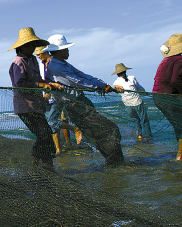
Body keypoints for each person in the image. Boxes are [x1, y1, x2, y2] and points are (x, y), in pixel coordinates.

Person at [41, 34, 125, 167]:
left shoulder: (63, 63)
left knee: (98, 133)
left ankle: (113, 162)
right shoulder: (56, 67)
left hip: (79, 102)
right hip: (74, 105)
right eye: (66, 49)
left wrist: (105, 85)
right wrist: (103, 86)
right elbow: (78, 82)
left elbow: (83, 75)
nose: (68, 51)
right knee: (110, 129)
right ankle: (117, 163)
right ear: (59, 51)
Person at [8, 28, 62, 170]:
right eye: (29, 45)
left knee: (45, 134)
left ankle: (42, 164)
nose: (32, 48)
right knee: (44, 133)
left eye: (33, 45)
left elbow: (38, 79)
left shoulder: (31, 59)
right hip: (25, 107)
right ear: (21, 46)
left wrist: (49, 85)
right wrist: (40, 85)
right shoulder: (19, 62)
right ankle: (39, 165)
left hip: (36, 105)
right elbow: (20, 85)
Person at [34, 46, 82, 153]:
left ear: (45, 52)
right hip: (48, 97)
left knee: (54, 121)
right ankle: (58, 148)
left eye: (39, 54)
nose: (38, 56)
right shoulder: (42, 65)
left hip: (57, 96)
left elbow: (57, 80)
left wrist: (49, 92)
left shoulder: (54, 63)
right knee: (52, 122)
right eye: (36, 55)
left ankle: (73, 132)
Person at [112, 63, 152, 141]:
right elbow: (139, 88)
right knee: (144, 119)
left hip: (128, 104)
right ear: (125, 71)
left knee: (135, 120)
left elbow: (114, 90)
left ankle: (139, 135)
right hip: (137, 102)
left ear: (117, 74)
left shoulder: (115, 83)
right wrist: (145, 93)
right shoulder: (132, 78)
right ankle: (148, 136)